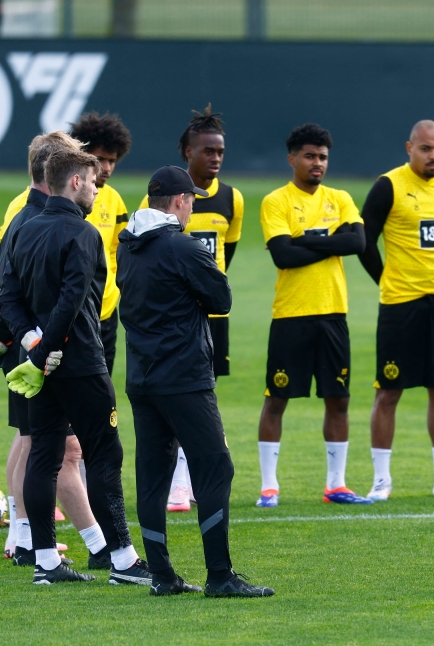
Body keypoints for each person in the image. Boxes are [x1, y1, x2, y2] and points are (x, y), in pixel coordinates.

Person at [118, 165, 273, 598]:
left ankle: (163, 578)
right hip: (184, 378)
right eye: (191, 203)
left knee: (152, 475)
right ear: (181, 201)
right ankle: (220, 576)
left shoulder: (127, 245)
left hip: (142, 378)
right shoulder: (182, 247)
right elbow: (221, 298)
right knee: (215, 466)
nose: (191, 211)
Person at [0, 148, 146, 585]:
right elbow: (74, 297)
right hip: (79, 361)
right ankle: (122, 561)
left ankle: (46, 563)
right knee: (105, 454)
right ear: (76, 182)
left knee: (43, 457)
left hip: (38, 363)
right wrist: (49, 347)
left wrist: (30, 341)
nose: (100, 188)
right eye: (94, 180)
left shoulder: (24, 227)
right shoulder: (83, 233)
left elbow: (6, 292)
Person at [358, 120, 434, 501]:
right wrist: (387, 278)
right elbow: (365, 241)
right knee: (389, 390)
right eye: (427, 149)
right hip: (399, 303)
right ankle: (381, 480)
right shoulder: (388, 186)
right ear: (410, 147)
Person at [137, 106, 245, 513]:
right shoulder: (160, 200)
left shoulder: (233, 199)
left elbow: (223, 259)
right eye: (207, 151)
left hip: (213, 315)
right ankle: (180, 481)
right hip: (174, 317)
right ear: (187, 152)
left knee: (205, 392)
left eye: (220, 151)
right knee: (182, 393)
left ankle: (195, 474)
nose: (215, 158)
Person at [256, 123, 370, 507]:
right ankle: (269, 486)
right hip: (292, 314)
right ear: (292, 159)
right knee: (277, 398)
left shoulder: (339, 197)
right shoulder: (276, 201)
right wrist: (327, 243)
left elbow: (358, 241)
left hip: (333, 314)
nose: (317, 163)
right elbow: (283, 255)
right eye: (309, 156)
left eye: (322, 156)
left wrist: (306, 240)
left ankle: (336, 485)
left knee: (338, 399)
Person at [2, 132, 102, 567]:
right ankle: (102, 546)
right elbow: (12, 290)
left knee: (32, 443)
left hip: (34, 346)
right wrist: (33, 344)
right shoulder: (30, 220)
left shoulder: (28, 216)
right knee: (59, 450)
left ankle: (23, 538)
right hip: (40, 350)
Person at [68, 112, 132, 376]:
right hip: (71, 313)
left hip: (106, 313)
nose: (106, 168)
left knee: (102, 388)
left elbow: (122, 249)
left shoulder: (115, 200)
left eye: (112, 161)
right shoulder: (67, 194)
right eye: (100, 159)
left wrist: (115, 288)